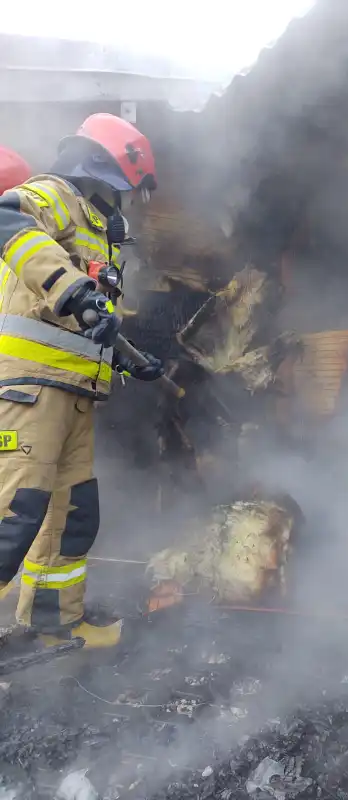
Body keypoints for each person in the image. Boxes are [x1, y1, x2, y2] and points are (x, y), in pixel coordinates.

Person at [0, 115, 164, 648]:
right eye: (130, 188)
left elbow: (88, 316)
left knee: (73, 517)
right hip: (29, 388)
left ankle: (53, 626)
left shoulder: (99, 231)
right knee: (13, 517)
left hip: (73, 396)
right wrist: (70, 286)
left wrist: (129, 359)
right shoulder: (54, 196)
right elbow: (7, 220)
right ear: (109, 165)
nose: (130, 202)